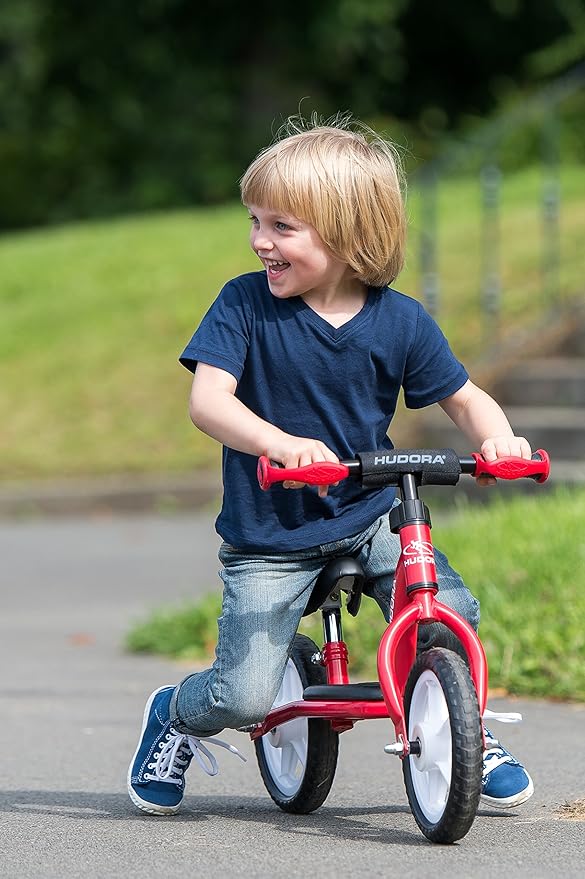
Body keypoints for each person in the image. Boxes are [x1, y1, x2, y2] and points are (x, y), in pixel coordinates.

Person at [128, 114, 534, 816]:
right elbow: (208, 401)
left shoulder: (399, 321)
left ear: (348, 235)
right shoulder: (244, 305)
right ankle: (174, 713)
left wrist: (499, 439)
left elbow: (464, 400)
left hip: (368, 513)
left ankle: (457, 719)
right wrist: (274, 441)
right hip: (271, 535)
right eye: (255, 221)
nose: (261, 240)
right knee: (245, 694)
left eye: (282, 226)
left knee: (447, 611)